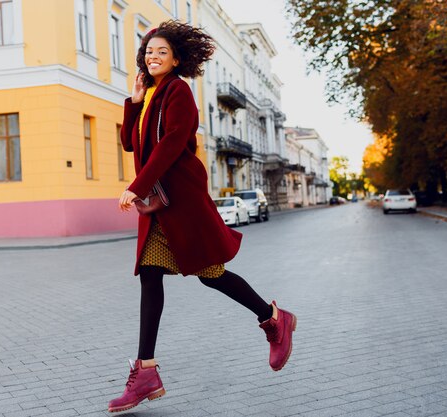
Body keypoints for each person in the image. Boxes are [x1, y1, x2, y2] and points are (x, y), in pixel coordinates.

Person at [109, 21, 296, 413]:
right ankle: (146, 370)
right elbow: (130, 142)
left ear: (176, 58)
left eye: (161, 51)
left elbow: (174, 141)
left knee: (211, 273)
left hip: (180, 200)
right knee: (150, 275)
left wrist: (138, 185)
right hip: (160, 202)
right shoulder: (153, 94)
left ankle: (274, 319)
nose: (153, 56)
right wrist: (135, 100)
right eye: (148, 52)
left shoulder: (180, 91)